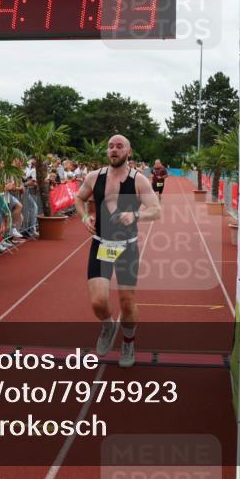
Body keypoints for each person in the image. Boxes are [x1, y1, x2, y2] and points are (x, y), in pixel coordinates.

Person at [75, 135, 160, 368]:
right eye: (111, 146)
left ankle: (128, 342)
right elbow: (79, 198)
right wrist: (84, 216)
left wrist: (135, 215)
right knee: (99, 302)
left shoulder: (138, 180)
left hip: (127, 246)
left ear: (128, 152)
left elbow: (156, 210)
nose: (114, 150)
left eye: (119, 146)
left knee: (126, 301)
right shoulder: (94, 177)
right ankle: (108, 325)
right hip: (101, 243)